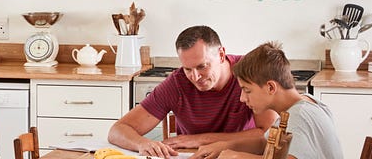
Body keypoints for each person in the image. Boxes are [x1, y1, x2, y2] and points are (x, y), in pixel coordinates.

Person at [108, 26, 277, 158]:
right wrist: (141, 143)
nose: (195, 77)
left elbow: (267, 134)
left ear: (221, 54)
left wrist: (198, 139)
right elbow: (118, 130)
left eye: (202, 66)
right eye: (187, 69)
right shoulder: (176, 83)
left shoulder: (250, 72)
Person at [216, 42, 344, 159]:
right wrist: (225, 146)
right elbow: (264, 143)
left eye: (247, 90)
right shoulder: (306, 103)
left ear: (271, 87)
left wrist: (237, 157)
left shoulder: (298, 116)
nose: (242, 98)